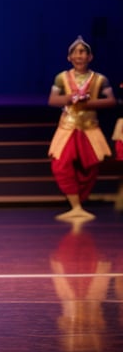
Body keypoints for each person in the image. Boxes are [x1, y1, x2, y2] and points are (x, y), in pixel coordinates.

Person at [48, 36, 115, 221]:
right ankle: (75, 206)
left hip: (89, 128)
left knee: (90, 167)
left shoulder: (100, 79)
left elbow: (111, 101)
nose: (80, 55)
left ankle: (79, 204)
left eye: (83, 52)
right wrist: (68, 99)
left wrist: (88, 103)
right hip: (67, 127)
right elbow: (52, 100)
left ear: (90, 57)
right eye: (76, 52)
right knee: (60, 165)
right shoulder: (61, 78)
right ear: (69, 57)